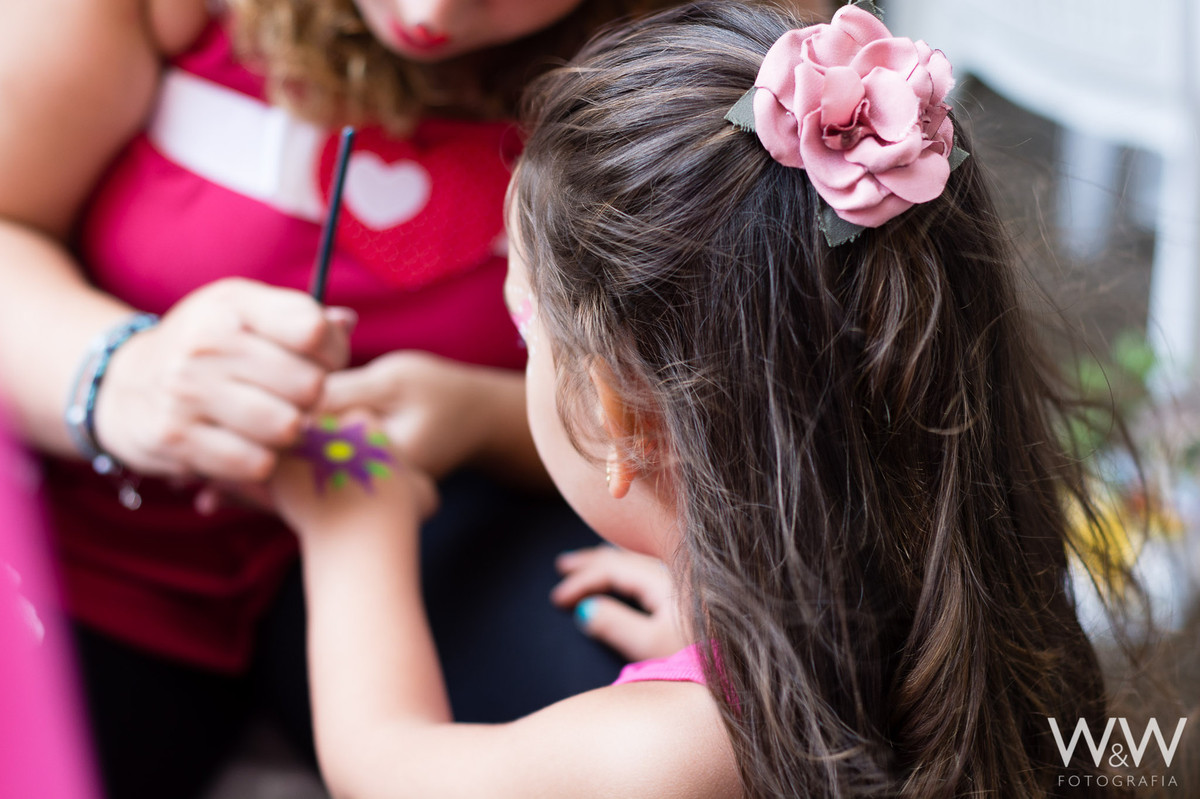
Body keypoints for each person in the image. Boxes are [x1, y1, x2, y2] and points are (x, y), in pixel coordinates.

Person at [268, 3, 1136, 797]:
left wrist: (351, 528)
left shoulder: (664, 755)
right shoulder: (987, 602)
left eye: (528, 329)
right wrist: (719, 636)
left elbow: (386, 768)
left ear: (615, 413)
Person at [0, 0, 705, 796]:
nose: (432, 10)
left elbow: (715, 420)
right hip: (96, 556)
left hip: (427, 534)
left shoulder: (703, 86)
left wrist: (479, 418)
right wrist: (118, 373)